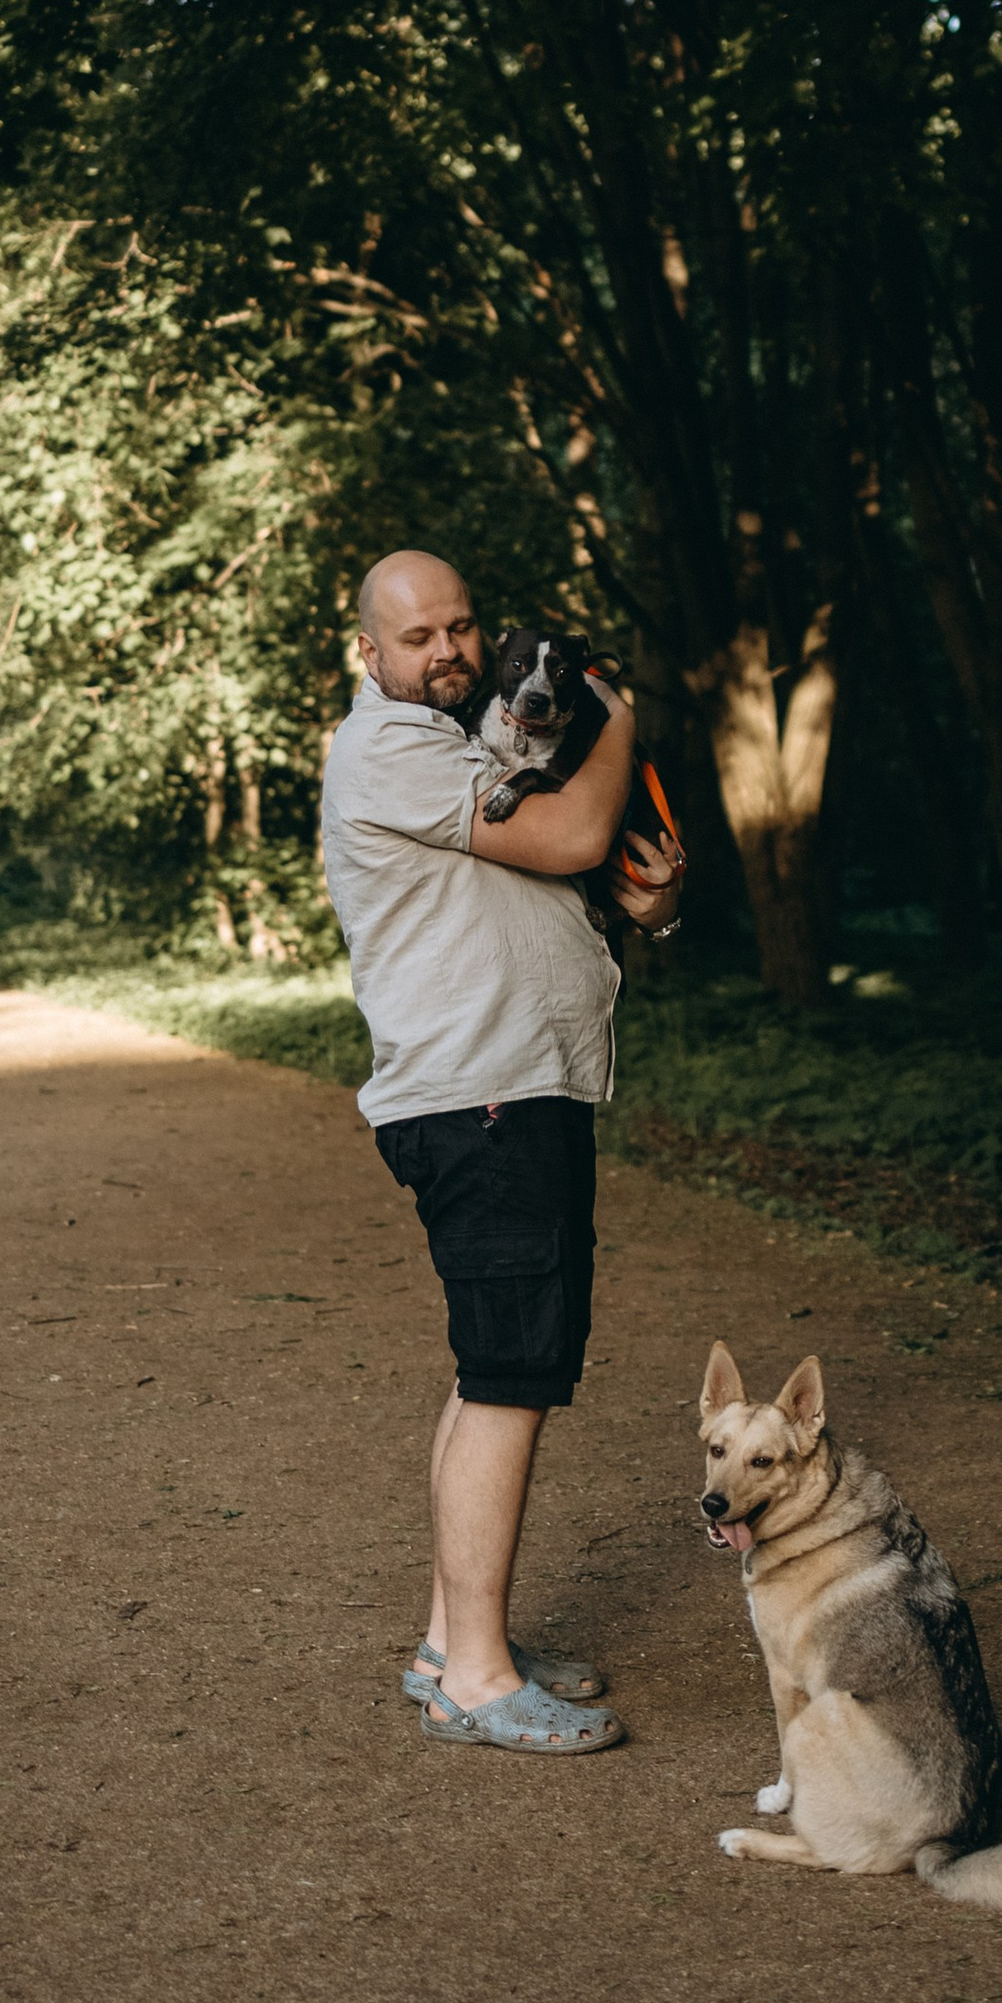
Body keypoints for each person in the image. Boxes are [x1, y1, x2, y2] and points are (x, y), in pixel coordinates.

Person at [320, 548, 685, 1753]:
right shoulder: (393, 747)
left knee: (495, 1366)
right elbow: (577, 831)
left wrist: (649, 905)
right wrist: (619, 714)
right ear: (370, 653)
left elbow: (569, 874)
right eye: (418, 637)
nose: (450, 652)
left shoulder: (468, 744)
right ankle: (475, 1679)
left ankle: (449, 1643)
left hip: (519, 1087)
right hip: (482, 1097)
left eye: (462, 627)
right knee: (512, 1375)